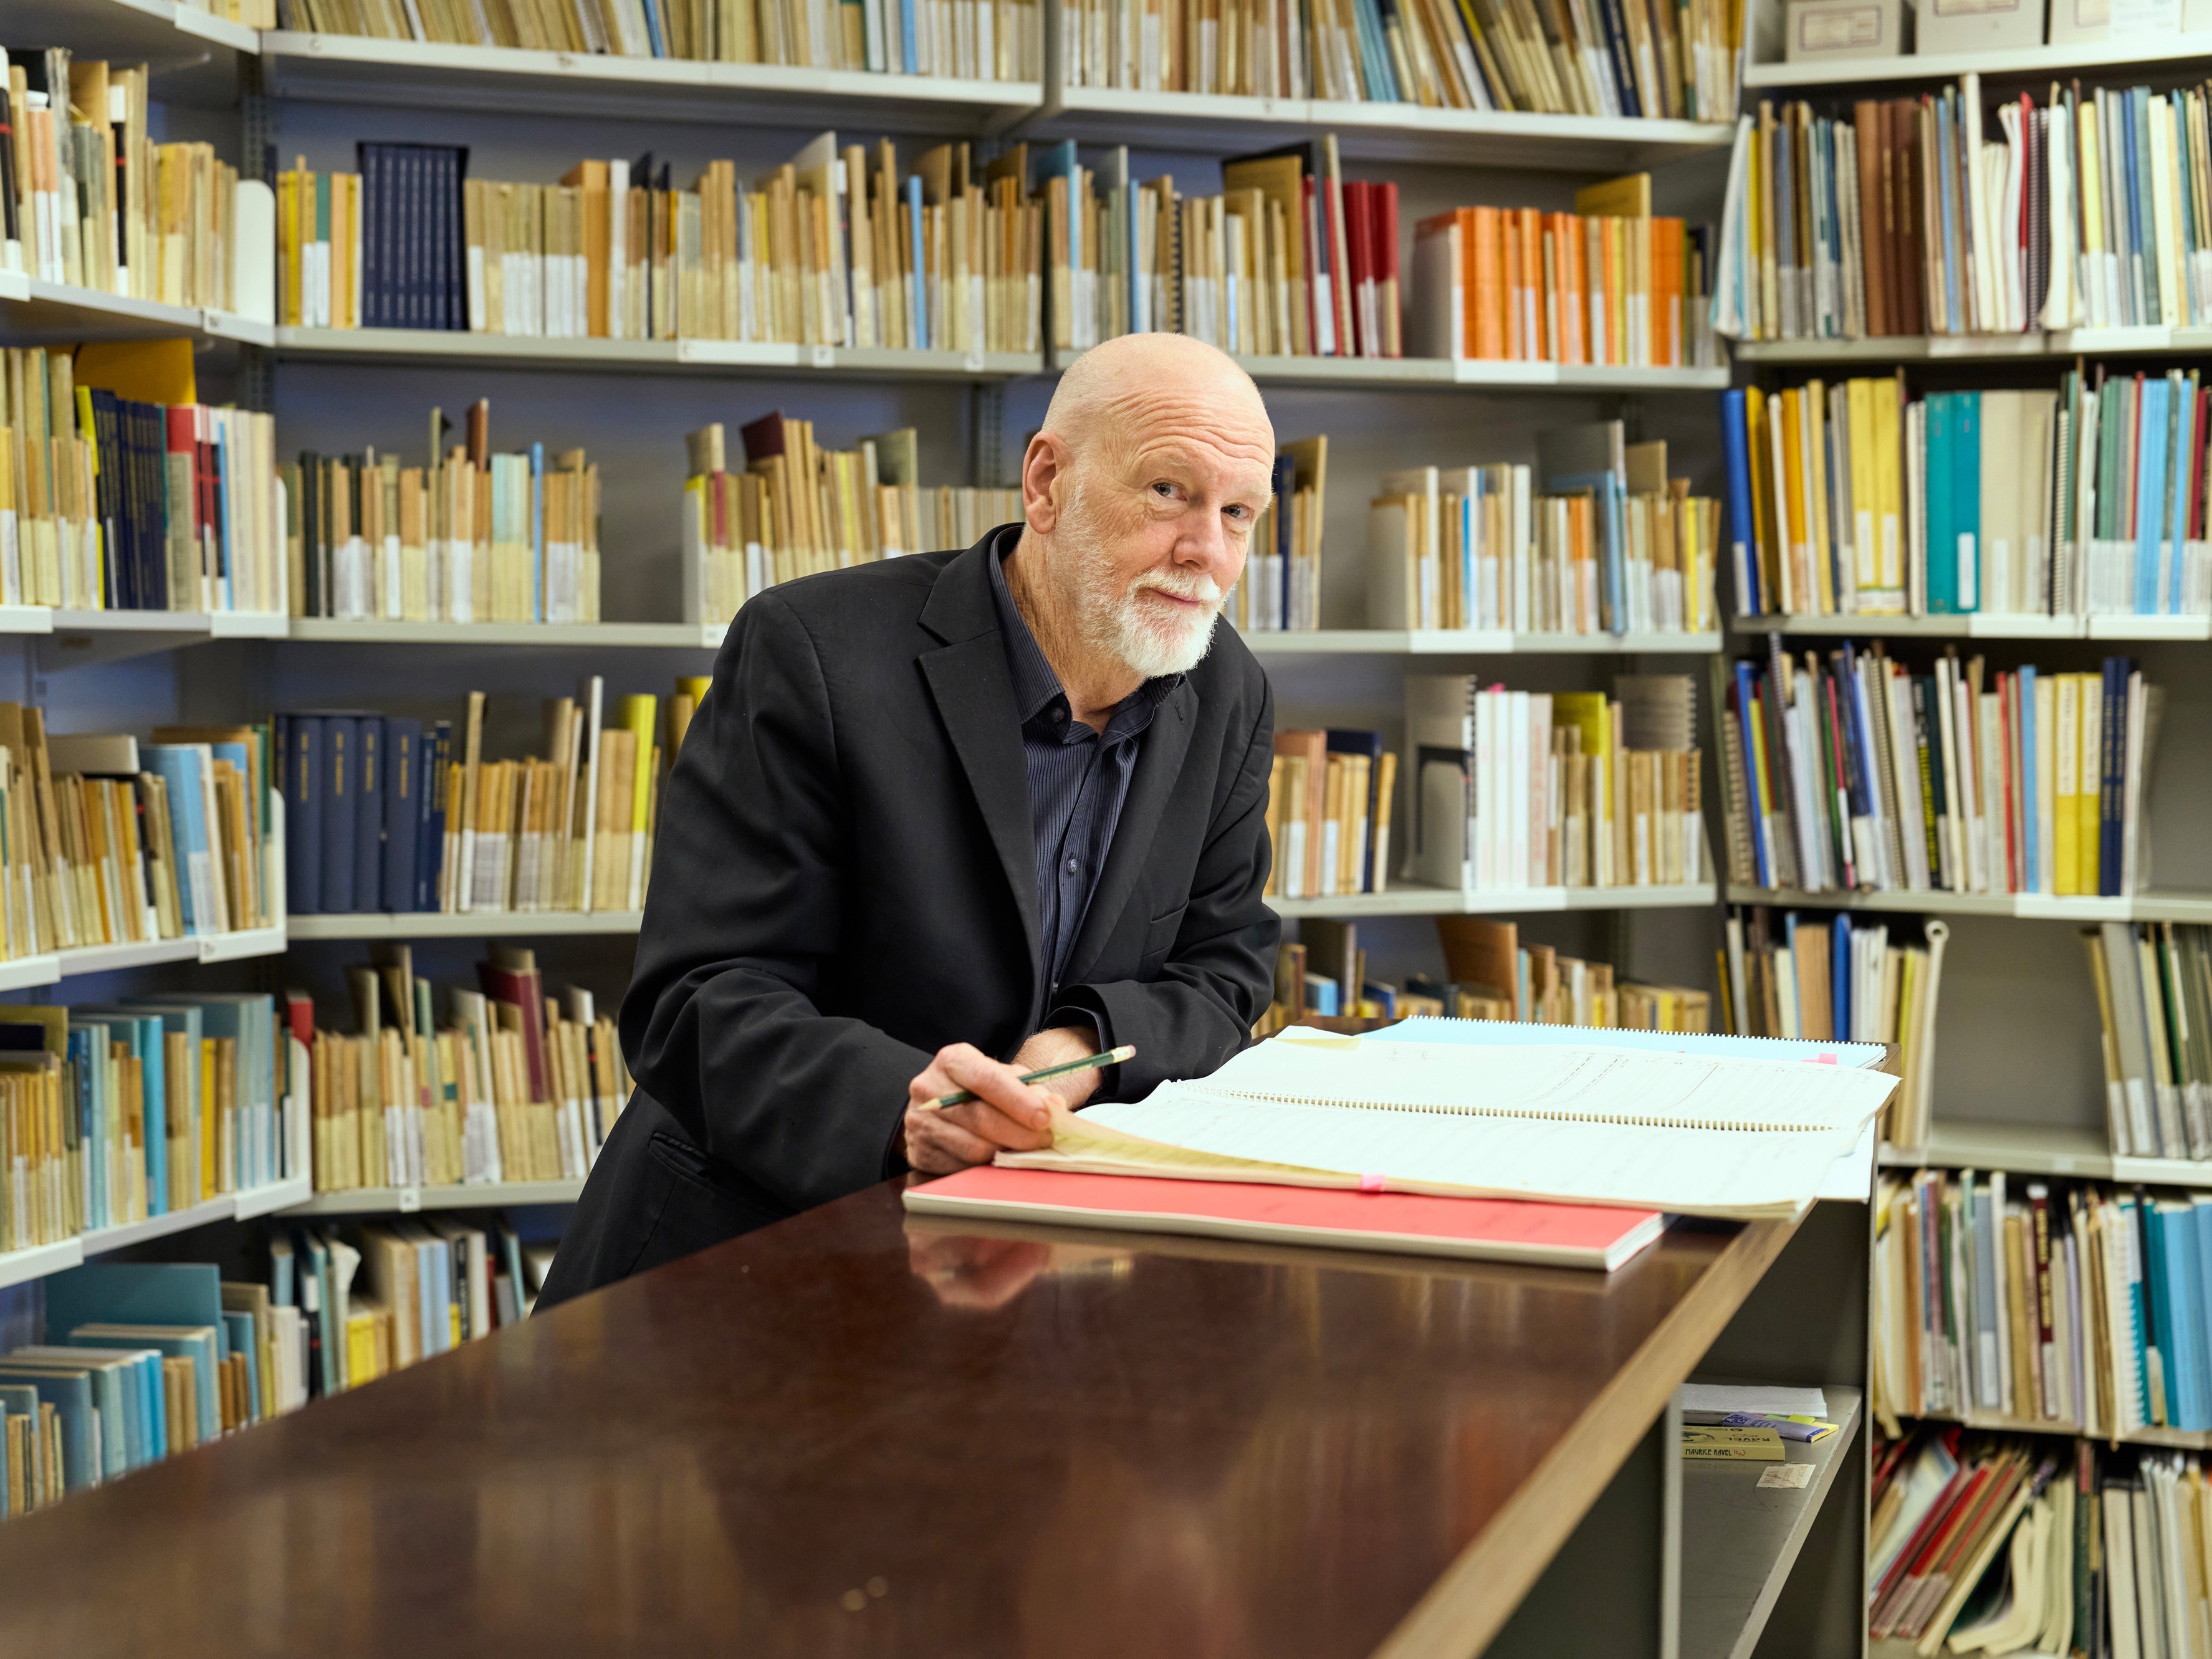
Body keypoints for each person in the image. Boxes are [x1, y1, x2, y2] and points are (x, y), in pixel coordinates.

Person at [537, 332, 1282, 1306]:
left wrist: (1078, 1049)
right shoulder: (812, 651)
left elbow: (1223, 970)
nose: (1206, 552)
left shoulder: (1227, 693)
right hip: (753, 1261)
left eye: (1237, 513)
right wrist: (906, 1106)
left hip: (1021, 1274)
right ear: (1046, 482)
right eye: (1167, 493)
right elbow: (700, 999)